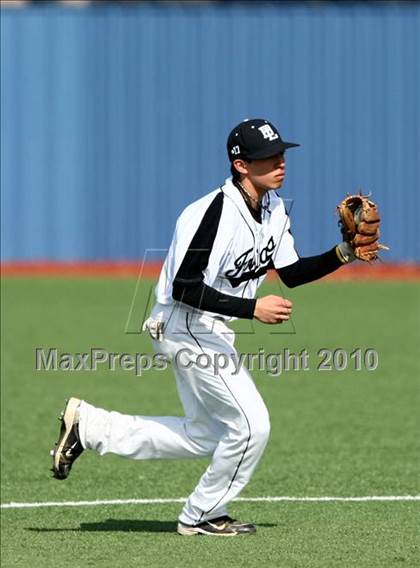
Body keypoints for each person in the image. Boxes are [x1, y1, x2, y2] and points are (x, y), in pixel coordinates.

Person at [51, 118, 355, 536]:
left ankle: (89, 427)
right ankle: (203, 514)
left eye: (281, 153)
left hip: (208, 326)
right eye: (268, 156)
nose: (280, 161)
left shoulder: (274, 207)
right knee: (252, 425)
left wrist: (343, 253)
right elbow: (184, 288)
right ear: (241, 164)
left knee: (206, 435)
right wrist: (252, 309)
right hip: (182, 322)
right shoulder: (212, 213)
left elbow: (293, 272)